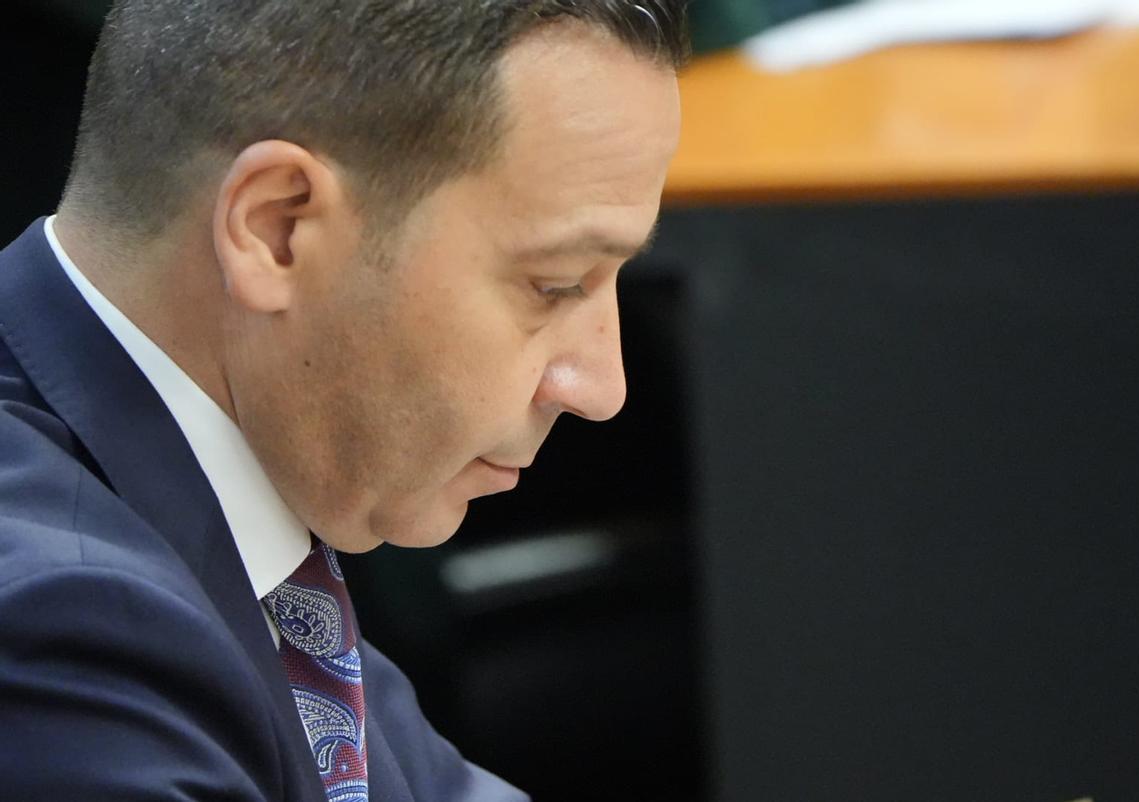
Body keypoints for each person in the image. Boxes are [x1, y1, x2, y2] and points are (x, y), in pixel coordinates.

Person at [0, 1, 687, 799]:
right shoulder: (66, 638)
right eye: (555, 284)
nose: (602, 387)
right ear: (277, 228)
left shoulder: (240, 511)